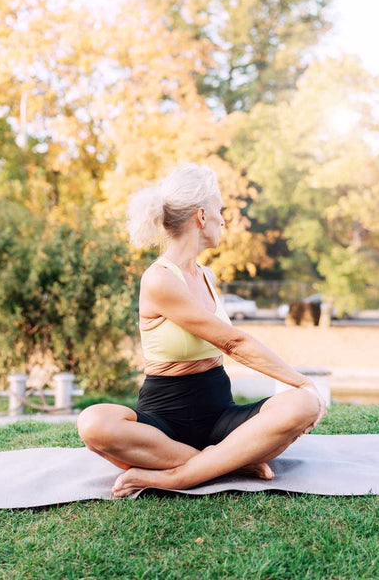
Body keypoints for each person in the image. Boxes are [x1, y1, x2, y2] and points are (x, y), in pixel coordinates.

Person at [77, 163, 327, 498]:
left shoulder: (207, 276)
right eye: (220, 210)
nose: (224, 219)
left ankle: (189, 470)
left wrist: (303, 395)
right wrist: (303, 382)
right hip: (163, 422)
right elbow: (233, 342)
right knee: (94, 423)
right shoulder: (160, 278)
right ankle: (219, 466)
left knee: (301, 406)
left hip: (220, 415)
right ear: (201, 216)